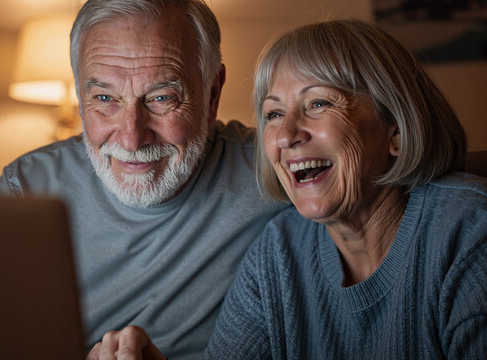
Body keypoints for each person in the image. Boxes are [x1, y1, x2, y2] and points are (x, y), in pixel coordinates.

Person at [88, 18, 487, 359]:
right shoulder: (277, 252)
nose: (286, 136)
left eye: (319, 104)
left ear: (395, 130)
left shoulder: (471, 233)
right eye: (274, 114)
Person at [0, 1, 286, 359]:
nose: (131, 138)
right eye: (104, 98)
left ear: (212, 95)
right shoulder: (26, 189)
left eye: (162, 98)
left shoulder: (279, 172)